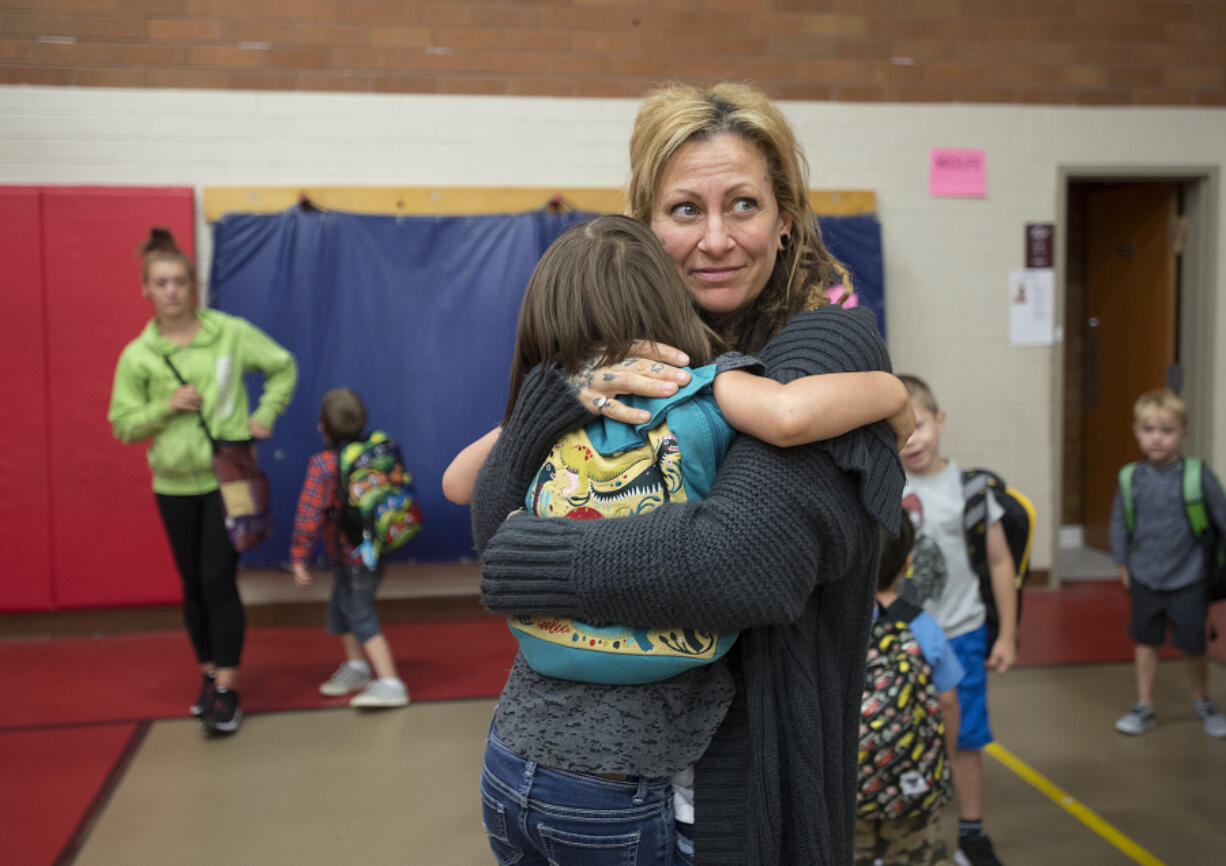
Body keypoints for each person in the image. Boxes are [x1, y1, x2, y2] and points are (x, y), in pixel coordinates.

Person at [470, 82, 907, 866]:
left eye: (742, 205)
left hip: (734, 799)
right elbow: (488, 503)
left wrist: (526, 558)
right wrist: (554, 397)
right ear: (644, 227)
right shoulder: (620, 354)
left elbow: (739, 564)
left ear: (785, 223)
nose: (716, 239)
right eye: (684, 211)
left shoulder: (822, 351)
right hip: (561, 779)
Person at [108, 227, 297, 735]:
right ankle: (209, 676)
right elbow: (123, 424)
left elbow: (282, 366)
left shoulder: (229, 332)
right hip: (172, 483)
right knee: (191, 583)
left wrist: (265, 414)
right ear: (146, 289)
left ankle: (227, 689)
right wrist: (163, 407)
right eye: (161, 282)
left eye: (179, 281)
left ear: (193, 286)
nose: (171, 291)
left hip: (227, 479)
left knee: (218, 578)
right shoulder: (138, 355)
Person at [897, 374, 1016, 866]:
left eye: (919, 425)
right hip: (900, 640)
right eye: (898, 431)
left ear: (940, 421)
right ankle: (901, 828)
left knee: (965, 740)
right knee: (901, 732)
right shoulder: (885, 488)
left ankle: (971, 831)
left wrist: (1006, 633)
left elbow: (1000, 562)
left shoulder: (971, 490)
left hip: (962, 633)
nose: (911, 440)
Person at [1108, 388, 1226, 739]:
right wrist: (1123, 565)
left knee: (1193, 644)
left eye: (1166, 430)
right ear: (1136, 431)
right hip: (1145, 578)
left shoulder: (1197, 475)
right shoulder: (1130, 478)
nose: (1157, 438)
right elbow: (1119, 523)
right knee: (1145, 642)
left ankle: (1201, 700)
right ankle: (1145, 704)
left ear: (1183, 432)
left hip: (1189, 579)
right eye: (1149, 429)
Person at [290, 387, 410, 708]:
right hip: (370, 549)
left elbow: (308, 516)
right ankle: (358, 667)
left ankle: (390, 682)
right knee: (342, 606)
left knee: (359, 612)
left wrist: (299, 558)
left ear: (322, 426)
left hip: (354, 553)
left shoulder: (324, 464)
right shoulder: (377, 451)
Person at [855, 509, 962, 866]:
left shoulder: (838, 629)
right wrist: (940, 762)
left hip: (847, 785)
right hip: (911, 780)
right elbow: (947, 701)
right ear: (908, 564)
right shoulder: (924, 627)